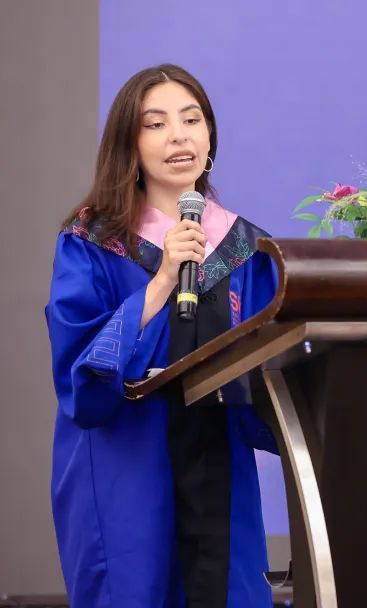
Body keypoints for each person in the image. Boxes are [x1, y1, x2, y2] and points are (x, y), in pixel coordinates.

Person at [45, 64, 279, 607]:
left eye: (192, 120)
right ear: (129, 145)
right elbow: (79, 375)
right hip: (123, 472)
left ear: (210, 136)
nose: (179, 136)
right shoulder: (91, 241)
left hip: (219, 472)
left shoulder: (245, 249)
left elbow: (270, 374)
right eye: (156, 124)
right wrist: (161, 284)